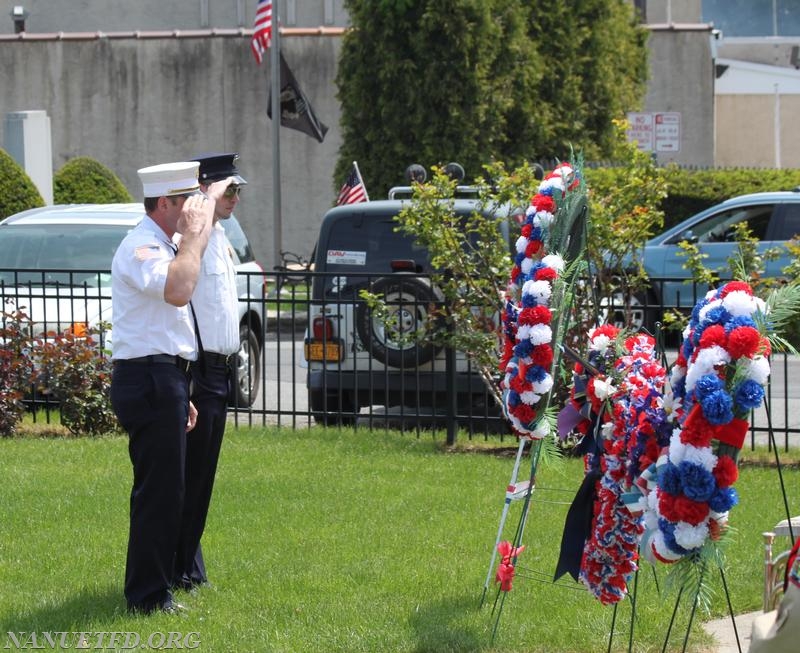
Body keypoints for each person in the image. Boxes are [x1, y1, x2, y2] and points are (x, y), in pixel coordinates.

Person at [110, 160, 229, 614]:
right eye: (188, 204)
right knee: (159, 492)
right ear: (166, 204)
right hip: (148, 378)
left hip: (164, 378)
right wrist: (196, 238)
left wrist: (181, 389)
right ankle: (146, 596)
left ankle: (156, 587)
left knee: (169, 488)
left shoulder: (164, 244)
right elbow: (179, 291)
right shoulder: (142, 247)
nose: (195, 212)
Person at [171, 152, 247, 592]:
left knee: (203, 476)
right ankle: (180, 567)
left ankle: (189, 564)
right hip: (198, 370)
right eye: (227, 189)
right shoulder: (197, 236)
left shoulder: (220, 237)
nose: (235, 198)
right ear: (206, 189)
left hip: (221, 369)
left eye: (237, 190)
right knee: (190, 473)